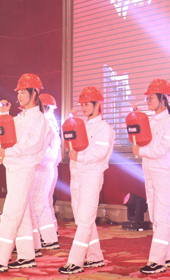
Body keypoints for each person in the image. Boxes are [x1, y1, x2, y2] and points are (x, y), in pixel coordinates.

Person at [0, 73, 51, 274]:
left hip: (24, 170)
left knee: (10, 215)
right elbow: (4, 136)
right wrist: (3, 116)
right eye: (18, 92)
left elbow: (31, 145)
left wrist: (6, 153)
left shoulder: (39, 119)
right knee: (23, 214)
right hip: (14, 168)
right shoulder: (19, 118)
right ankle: (26, 256)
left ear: (34, 93)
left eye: (23, 92)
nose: (19, 96)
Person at [59, 86, 115, 275]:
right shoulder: (81, 125)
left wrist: (80, 157)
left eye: (86, 104)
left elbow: (100, 153)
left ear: (97, 104)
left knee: (84, 220)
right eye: (81, 104)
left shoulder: (104, 128)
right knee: (82, 219)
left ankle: (75, 261)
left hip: (91, 176)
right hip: (76, 176)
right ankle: (95, 256)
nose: (83, 108)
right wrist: (71, 123)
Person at [132, 79, 170, 275]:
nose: (148, 101)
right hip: (150, 173)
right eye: (147, 97)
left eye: (151, 97)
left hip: (164, 174)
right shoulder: (149, 121)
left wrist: (141, 151)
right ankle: (168, 257)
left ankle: (156, 261)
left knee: (161, 217)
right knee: (156, 216)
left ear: (163, 99)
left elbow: (163, 149)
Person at [28, 93, 62, 256]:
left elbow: (40, 150)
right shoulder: (52, 123)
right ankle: (49, 237)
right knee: (44, 203)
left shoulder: (45, 124)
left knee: (38, 204)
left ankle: (46, 239)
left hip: (42, 169)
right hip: (49, 168)